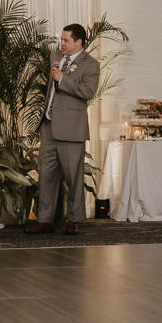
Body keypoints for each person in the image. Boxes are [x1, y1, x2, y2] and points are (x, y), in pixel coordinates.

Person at [25, 24, 100, 236]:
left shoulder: (91, 64)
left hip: (71, 129)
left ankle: (73, 220)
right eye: (61, 39)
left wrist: (63, 79)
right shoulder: (55, 56)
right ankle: (45, 221)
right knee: (46, 176)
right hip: (49, 126)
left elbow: (87, 92)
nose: (62, 44)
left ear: (79, 42)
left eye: (66, 40)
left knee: (73, 178)